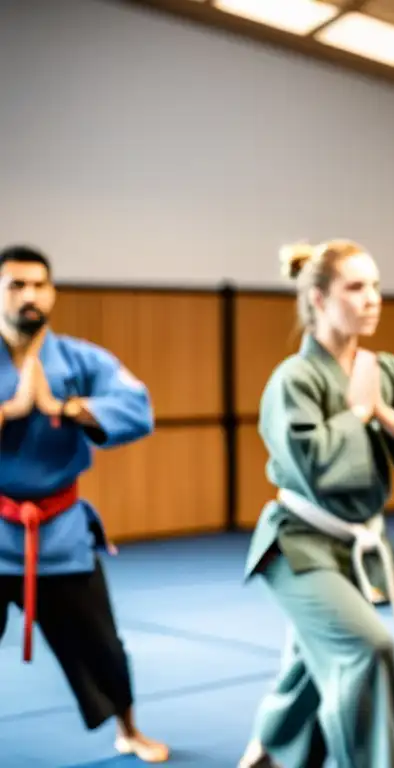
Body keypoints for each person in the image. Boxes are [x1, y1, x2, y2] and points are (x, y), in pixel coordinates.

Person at [238, 239, 394, 768]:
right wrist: (357, 413)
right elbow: (313, 463)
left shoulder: (386, 370)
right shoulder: (294, 379)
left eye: (376, 286)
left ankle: (266, 754)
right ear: (317, 298)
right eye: (356, 287)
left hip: (358, 542)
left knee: (310, 667)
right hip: (298, 544)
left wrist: (382, 410)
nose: (372, 298)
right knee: (368, 651)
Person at [0, 245, 170, 763]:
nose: (29, 295)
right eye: (16, 285)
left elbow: (136, 407)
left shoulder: (80, 359)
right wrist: (12, 411)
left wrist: (67, 408)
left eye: (39, 285)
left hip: (59, 529)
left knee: (103, 644)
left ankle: (130, 729)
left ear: (52, 293)